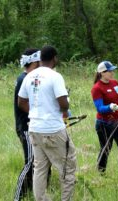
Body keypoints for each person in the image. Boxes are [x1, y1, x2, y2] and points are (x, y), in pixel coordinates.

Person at [18, 46, 77, 201]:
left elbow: (21, 102)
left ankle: (41, 199)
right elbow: (64, 105)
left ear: (40, 59)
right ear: (54, 58)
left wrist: (36, 112)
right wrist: (61, 106)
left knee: (40, 168)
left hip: (34, 129)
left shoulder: (29, 76)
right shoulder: (55, 76)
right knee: (68, 167)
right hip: (53, 129)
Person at [91, 61, 118, 174]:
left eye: (112, 70)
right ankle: (101, 173)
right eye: (110, 71)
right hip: (104, 123)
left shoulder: (115, 83)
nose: (112, 73)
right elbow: (100, 108)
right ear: (102, 73)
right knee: (106, 148)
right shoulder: (97, 88)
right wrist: (110, 107)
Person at [13, 48, 40, 201]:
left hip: (34, 126)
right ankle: (18, 197)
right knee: (30, 161)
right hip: (26, 127)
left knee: (41, 162)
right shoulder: (24, 78)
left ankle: (35, 194)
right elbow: (22, 103)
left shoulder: (31, 77)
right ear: (35, 61)